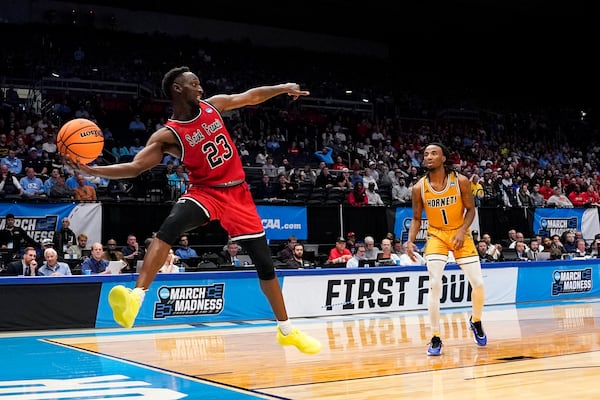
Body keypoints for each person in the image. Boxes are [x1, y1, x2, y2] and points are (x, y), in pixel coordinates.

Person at [65, 66, 320, 354]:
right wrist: (94, 169)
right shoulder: (168, 135)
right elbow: (136, 167)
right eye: (194, 84)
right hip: (206, 192)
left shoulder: (213, 106)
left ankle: (286, 329)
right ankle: (136, 297)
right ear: (178, 88)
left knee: (265, 265)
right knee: (169, 228)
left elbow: (250, 97)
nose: (201, 89)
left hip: (239, 194)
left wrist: (283, 86)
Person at [404, 143, 487, 356]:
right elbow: (415, 218)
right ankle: (435, 337)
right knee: (434, 284)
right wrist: (410, 240)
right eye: (426, 154)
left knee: (478, 284)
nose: (429, 157)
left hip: (460, 234)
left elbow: (470, 211)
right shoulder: (418, 187)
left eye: (434, 153)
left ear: (443, 158)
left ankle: (475, 320)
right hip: (436, 235)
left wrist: (461, 231)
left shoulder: (460, 181)